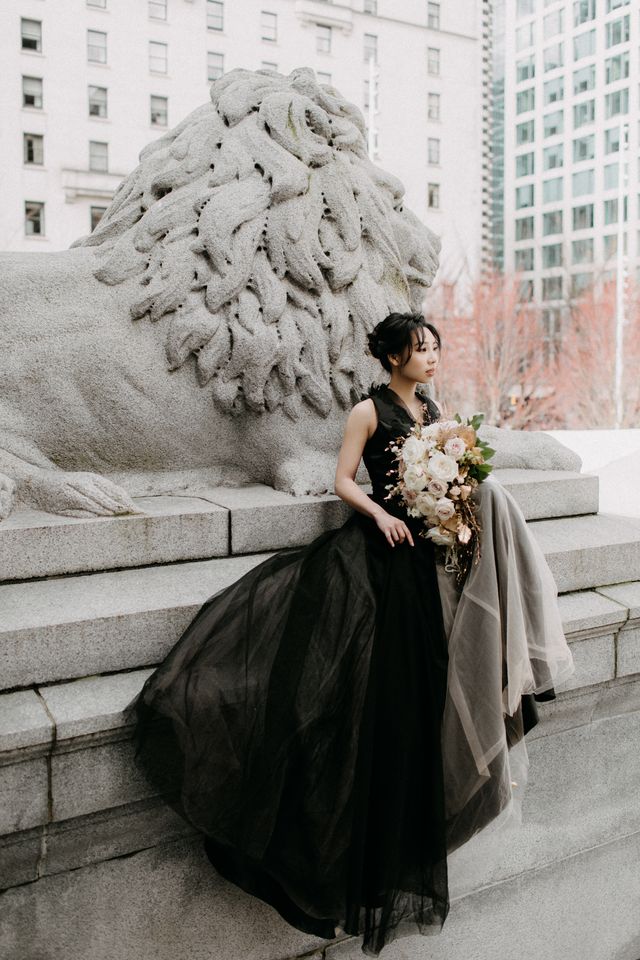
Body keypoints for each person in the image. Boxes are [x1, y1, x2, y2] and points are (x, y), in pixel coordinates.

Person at [128, 311, 575, 957]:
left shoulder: (435, 410)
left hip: (430, 560)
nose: (430, 359)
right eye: (420, 350)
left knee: (426, 701)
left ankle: (411, 831)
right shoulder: (366, 412)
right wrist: (379, 514)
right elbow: (344, 480)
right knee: (362, 700)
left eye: (434, 350)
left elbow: (456, 477)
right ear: (392, 357)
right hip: (381, 554)